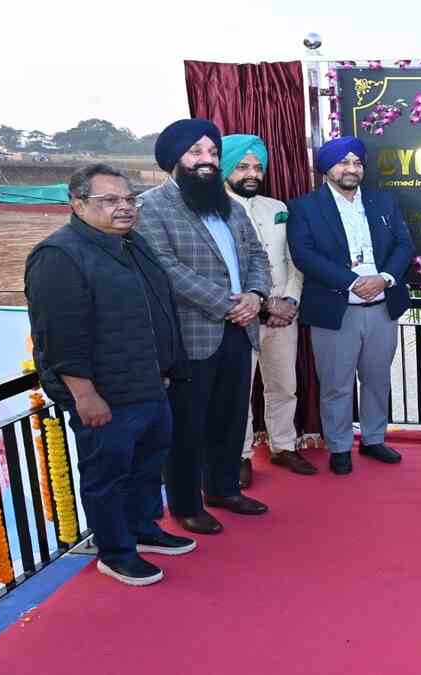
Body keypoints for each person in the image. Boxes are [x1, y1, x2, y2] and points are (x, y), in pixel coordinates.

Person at [25, 164, 195, 586]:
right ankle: (116, 552)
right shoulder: (58, 256)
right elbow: (60, 335)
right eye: (109, 200)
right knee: (107, 475)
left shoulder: (132, 244)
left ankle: (141, 530)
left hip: (149, 385)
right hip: (105, 395)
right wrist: (84, 395)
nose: (124, 207)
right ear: (77, 204)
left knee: (145, 467)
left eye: (128, 199)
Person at [137, 118, 273, 535]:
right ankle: (185, 504)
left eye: (212, 153)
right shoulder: (151, 207)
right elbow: (166, 269)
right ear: (173, 160)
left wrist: (256, 296)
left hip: (239, 327)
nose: (207, 161)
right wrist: (228, 305)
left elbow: (256, 256)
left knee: (231, 416)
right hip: (192, 335)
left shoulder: (228, 203)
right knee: (188, 424)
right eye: (196, 152)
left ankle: (224, 488)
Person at [286, 137, 415, 475]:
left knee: (376, 379)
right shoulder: (304, 207)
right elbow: (304, 254)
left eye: (357, 162)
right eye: (343, 162)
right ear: (327, 168)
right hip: (335, 310)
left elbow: (404, 244)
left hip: (382, 309)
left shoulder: (383, 201)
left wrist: (384, 278)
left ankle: (373, 440)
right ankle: (340, 446)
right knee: (336, 384)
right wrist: (352, 282)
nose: (351, 169)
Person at [219, 134, 315, 486]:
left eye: (258, 167)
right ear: (225, 167)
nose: (252, 174)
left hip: (283, 317)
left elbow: (294, 262)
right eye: (243, 166)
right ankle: (240, 455)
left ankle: (283, 445)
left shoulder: (276, 206)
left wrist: (289, 301)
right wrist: (260, 306)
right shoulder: (211, 212)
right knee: (238, 391)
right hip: (238, 317)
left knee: (283, 384)